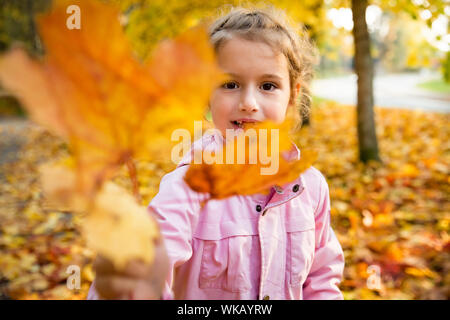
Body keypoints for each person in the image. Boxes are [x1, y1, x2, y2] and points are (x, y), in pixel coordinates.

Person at [88, 5, 345, 300]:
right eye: (230, 84)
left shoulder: (310, 189)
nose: (248, 102)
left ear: (293, 96)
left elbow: (321, 281)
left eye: (268, 85)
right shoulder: (188, 188)